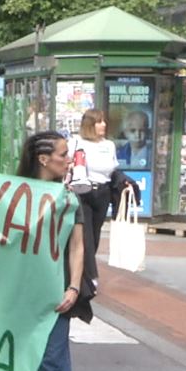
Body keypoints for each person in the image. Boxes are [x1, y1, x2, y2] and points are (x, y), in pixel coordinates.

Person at [13, 131, 86, 371]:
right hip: (18, 290)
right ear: (44, 159)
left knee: (54, 356)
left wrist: (73, 287)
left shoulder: (70, 199)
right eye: (63, 154)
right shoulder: (15, 194)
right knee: (13, 347)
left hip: (55, 289)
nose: (69, 159)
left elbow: (77, 247)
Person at [69, 109, 117, 286]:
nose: (103, 125)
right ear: (90, 125)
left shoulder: (109, 145)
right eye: (99, 121)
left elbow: (114, 168)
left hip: (103, 192)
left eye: (104, 121)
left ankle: (85, 269)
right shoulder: (76, 142)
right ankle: (90, 276)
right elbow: (67, 163)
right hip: (83, 191)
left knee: (95, 234)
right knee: (85, 234)